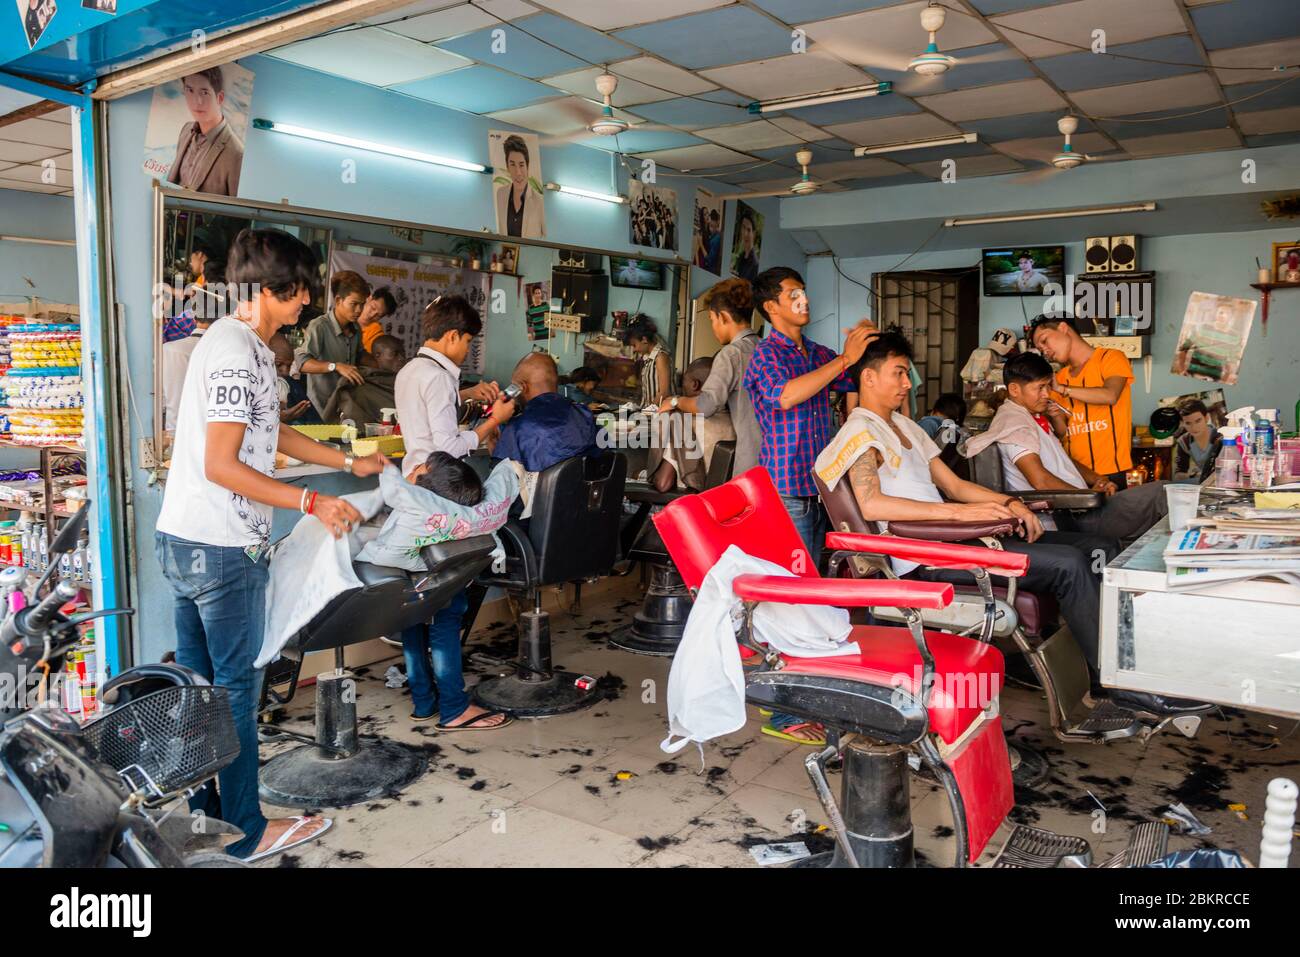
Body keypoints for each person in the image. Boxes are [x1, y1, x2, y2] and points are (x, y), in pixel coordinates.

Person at [155, 227, 389, 861]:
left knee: (204, 690)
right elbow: (222, 465)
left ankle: (211, 818)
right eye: (294, 292)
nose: (305, 302)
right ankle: (247, 831)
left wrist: (346, 458)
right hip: (219, 547)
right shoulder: (231, 351)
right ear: (262, 290)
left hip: (196, 540)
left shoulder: (255, 349)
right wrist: (312, 501)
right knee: (233, 689)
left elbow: (276, 433)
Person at [814, 331, 1120, 676]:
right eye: (898, 372)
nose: (906, 382)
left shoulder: (903, 425)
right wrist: (959, 514)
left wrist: (1010, 503)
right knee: (1071, 564)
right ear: (869, 377)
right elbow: (871, 505)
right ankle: (1108, 680)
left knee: (1097, 546)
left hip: (952, 538)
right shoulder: (861, 431)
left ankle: (1094, 660)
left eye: (906, 372)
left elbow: (955, 484)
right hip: (925, 554)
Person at [394, 295, 515, 730]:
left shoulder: (411, 371)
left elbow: (425, 430)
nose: (468, 349)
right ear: (450, 336)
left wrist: (463, 396)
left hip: (412, 489)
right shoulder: (439, 378)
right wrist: (489, 423)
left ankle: (424, 700)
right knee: (447, 602)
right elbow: (446, 446)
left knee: (413, 600)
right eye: (467, 341)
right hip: (441, 494)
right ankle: (454, 708)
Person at [967, 352, 1168, 547]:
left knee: (1165, 495)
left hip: (1082, 507)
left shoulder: (1030, 417)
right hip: (1073, 518)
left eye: (1047, 386)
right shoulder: (1014, 424)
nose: (1046, 395)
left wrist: (1098, 479)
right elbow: (1041, 481)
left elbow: (1065, 459)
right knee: (1162, 493)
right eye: (1040, 388)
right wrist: (1087, 495)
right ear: (1014, 389)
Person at [743, 267, 871, 566]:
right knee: (793, 577)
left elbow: (853, 380)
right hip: (787, 491)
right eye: (794, 294)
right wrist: (844, 359)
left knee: (815, 570)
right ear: (771, 307)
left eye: (804, 292)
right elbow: (784, 396)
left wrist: (865, 345)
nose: (805, 300)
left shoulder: (818, 353)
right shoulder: (765, 354)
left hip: (821, 486)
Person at [657, 277, 761, 476]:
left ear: (722, 317)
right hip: (777, 456)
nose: (713, 327)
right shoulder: (766, 347)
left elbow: (706, 405)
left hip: (751, 459)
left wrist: (675, 402)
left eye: (712, 320)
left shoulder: (732, 354)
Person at [1030, 314, 1135, 485]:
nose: (1045, 351)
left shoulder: (1111, 358)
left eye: (1044, 341)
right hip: (1074, 472)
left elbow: (1110, 395)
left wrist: (1062, 390)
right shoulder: (1060, 377)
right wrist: (1055, 415)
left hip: (1112, 471)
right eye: (1040, 349)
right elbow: (1063, 432)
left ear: (1063, 328)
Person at [494, 352, 602, 473]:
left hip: (540, 492)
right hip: (584, 491)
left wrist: (492, 439)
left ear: (522, 387)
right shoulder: (585, 416)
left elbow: (502, 481)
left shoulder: (516, 429)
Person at [649, 356, 736, 492]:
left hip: (686, 500)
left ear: (695, 384)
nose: (681, 387)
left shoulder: (684, 423)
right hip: (719, 498)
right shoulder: (733, 421)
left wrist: (641, 475)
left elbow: (663, 483)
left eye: (684, 381)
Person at [299, 270, 369, 419]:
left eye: (362, 305)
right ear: (338, 300)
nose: (359, 310)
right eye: (354, 304)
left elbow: (360, 356)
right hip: (320, 409)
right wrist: (335, 366)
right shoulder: (319, 326)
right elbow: (302, 364)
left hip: (344, 407)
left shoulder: (356, 328)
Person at [165, 67, 244, 197]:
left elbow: (235, 213)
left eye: (204, 92)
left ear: (220, 98)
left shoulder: (236, 154)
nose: (197, 102)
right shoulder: (186, 130)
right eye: (190, 90)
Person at [322, 334, 405, 424]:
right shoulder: (359, 382)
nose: (401, 358)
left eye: (402, 353)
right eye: (394, 354)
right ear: (377, 355)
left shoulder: (408, 378)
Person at [496, 134, 544, 238]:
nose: (518, 172)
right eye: (512, 164)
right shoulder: (500, 194)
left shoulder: (539, 201)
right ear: (507, 167)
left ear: (528, 167)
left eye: (521, 165)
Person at [625, 316, 675, 409]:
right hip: (650, 413)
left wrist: (647, 412)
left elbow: (664, 392)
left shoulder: (660, 357)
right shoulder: (647, 359)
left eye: (634, 345)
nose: (634, 349)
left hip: (661, 413)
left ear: (644, 340)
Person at [269, 332, 316, 424]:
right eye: (278, 365)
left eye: (289, 365)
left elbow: (316, 423)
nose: (286, 372)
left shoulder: (291, 385)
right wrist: (276, 418)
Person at [1173, 400, 1222, 483]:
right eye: (1188, 423)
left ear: (1206, 418)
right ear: (1182, 423)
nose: (1194, 427)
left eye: (1198, 421)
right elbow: (1178, 475)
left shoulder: (1220, 438)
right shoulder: (1184, 442)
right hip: (1201, 482)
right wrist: (1194, 475)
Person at [358, 286, 396, 353]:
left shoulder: (376, 336)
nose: (372, 315)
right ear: (369, 298)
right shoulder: (349, 315)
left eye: (378, 315)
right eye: (373, 308)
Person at [732, 210, 760, 283]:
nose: (745, 234)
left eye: (748, 230)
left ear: (754, 233)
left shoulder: (755, 264)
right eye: (743, 228)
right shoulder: (741, 257)